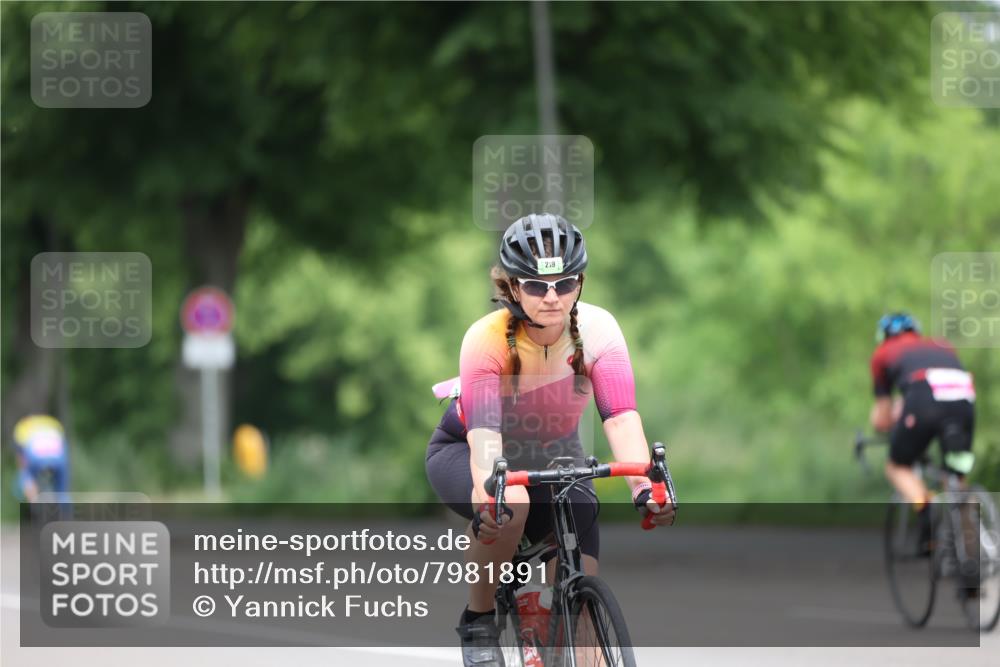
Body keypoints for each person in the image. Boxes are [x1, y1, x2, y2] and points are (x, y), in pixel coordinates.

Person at [426, 214, 675, 666]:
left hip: (554, 451)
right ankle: (478, 619)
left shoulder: (599, 331)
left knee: (582, 610)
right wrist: (491, 497)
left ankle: (559, 625)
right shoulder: (485, 339)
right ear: (511, 287)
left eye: (565, 284)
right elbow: (485, 438)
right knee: (512, 502)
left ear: (580, 282)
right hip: (468, 448)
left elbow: (620, 417)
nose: (552, 297)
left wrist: (645, 488)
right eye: (537, 286)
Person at [869, 313, 976, 547]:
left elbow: (882, 419)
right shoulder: (940, 345)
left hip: (923, 400)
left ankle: (926, 508)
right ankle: (971, 554)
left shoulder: (883, 353)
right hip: (964, 398)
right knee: (956, 474)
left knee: (897, 465)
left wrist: (892, 420)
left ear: (883, 336)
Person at [11, 414, 71, 505]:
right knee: (61, 485)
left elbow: (20, 456)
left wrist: (24, 472)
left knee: (26, 475)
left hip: (35, 458)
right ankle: (65, 506)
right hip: (58, 457)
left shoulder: (22, 426)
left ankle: (35, 504)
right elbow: (63, 444)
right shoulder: (53, 423)